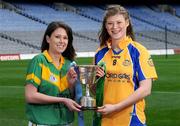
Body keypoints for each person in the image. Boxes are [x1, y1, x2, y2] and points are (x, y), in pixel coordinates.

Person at [93, 5, 158, 126]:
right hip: (104, 119)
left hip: (132, 120)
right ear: (105, 26)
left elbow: (146, 89)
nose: (115, 27)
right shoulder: (99, 53)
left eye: (119, 22)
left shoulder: (139, 51)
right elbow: (95, 91)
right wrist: (95, 82)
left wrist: (116, 107)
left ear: (127, 23)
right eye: (110, 23)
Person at [25, 21, 81, 126]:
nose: (62, 41)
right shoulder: (39, 61)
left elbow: (72, 99)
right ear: (48, 39)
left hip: (67, 123)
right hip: (43, 123)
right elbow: (30, 96)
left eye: (65, 38)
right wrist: (63, 100)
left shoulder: (70, 64)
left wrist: (71, 85)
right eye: (57, 37)